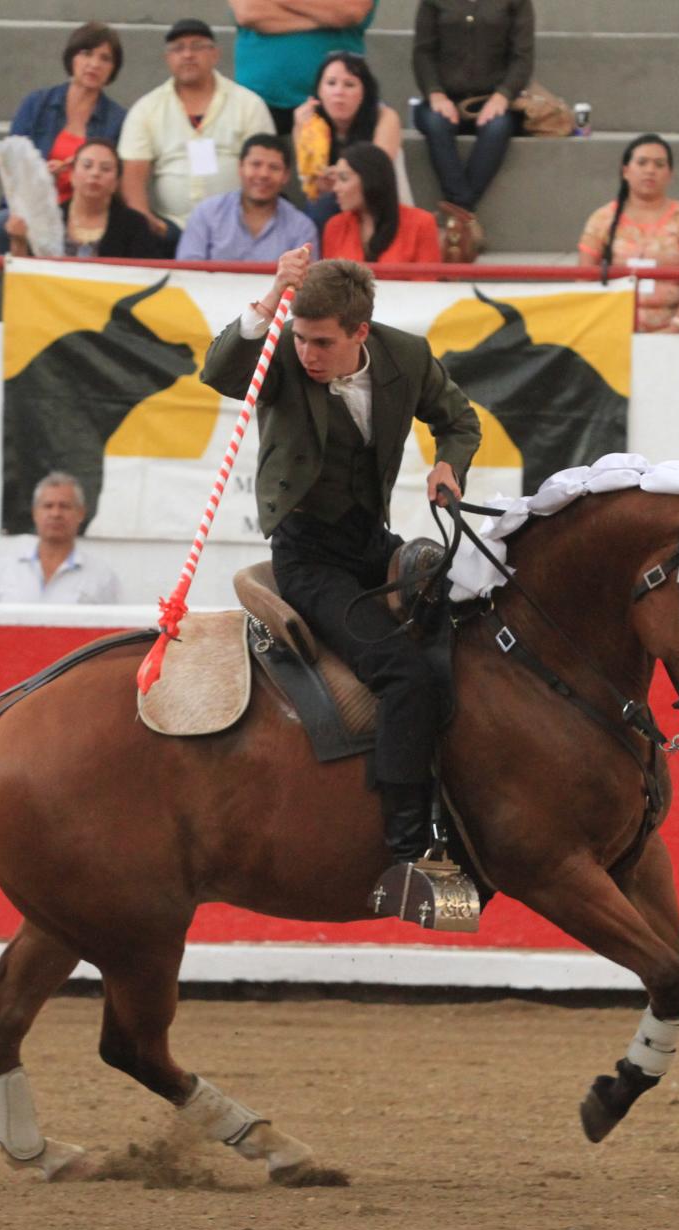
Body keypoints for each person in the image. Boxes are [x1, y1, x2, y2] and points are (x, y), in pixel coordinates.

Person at [200, 247, 480, 896]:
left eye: (322, 341)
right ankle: (411, 851)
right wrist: (272, 297)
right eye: (299, 337)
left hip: (370, 541)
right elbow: (219, 371)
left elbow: (458, 421)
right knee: (403, 671)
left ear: (362, 333)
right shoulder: (281, 356)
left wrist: (449, 467)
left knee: (460, 640)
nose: (306, 353)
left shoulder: (405, 356)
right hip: (304, 553)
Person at [117, 19, 276, 243]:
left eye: (197, 46)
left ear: (215, 54)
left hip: (238, 226)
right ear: (167, 59)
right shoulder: (146, 109)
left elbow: (266, 167)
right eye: (178, 48)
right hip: (170, 228)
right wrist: (147, 223)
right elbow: (133, 178)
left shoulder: (248, 104)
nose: (188, 54)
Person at [412, 0, 534, 245]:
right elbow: (423, 53)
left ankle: (456, 215)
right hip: (443, 98)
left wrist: (503, 95)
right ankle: (466, 216)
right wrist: (435, 93)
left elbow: (522, 57)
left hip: (495, 99)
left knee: (497, 128)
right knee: (436, 124)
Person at [578, 134, 679, 334]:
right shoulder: (602, 219)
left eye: (659, 164)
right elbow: (584, 279)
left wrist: (677, 327)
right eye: (642, 162)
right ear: (626, 171)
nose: (650, 170)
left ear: (670, 174)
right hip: (613, 331)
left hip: (675, 332)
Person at [6, 23, 129, 206]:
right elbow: (12, 163)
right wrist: (42, 173)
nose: (94, 64)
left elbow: (118, 181)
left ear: (113, 69)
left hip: (89, 210)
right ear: (72, 58)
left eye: (105, 58)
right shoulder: (37, 103)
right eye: (86, 54)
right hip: (33, 205)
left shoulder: (118, 119)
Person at [5, 138, 173, 260]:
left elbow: (147, 278)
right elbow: (26, 277)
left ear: (116, 182)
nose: (95, 174)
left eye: (105, 169)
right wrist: (18, 240)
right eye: (87, 166)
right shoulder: (48, 219)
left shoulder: (134, 225)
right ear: (72, 175)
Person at [292, 51, 404, 232]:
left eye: (349, 84)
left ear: (364, 92)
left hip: (379, 201)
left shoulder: (385, 116)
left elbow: (376, 171)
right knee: (320, 206)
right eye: (331, 83)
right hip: (332, 201)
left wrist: (333, 176)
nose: (339, 92)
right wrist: (307, 133)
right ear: (319, 91)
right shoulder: (306, 120)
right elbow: (311, 185)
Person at [228, 0, 375, 135]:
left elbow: (350, 10)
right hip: (259, 98)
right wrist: (326, 18)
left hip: (335, 101)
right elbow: (247, 11)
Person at [0, 472, 124, 604]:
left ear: (81, 513)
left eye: (64, 506)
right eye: (48, 506)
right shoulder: (2, 571)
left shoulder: (101, 577)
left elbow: (114, 632)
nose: (55, 514)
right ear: (34, 513)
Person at [176, 134, 319, 262]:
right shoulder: (206, 213)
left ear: (286, 176)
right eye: (256, 164)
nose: (264, 174)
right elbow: (187, 273)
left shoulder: (302, 228)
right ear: (240, 167)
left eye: (274, 168)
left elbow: (305, 285)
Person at [321, 142, 440, 268]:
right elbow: (329, 283)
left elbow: (427, 283)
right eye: (336, 180)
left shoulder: (421, 224)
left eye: (344, 178)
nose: (335, 188)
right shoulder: (334, 226)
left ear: (370, 178)